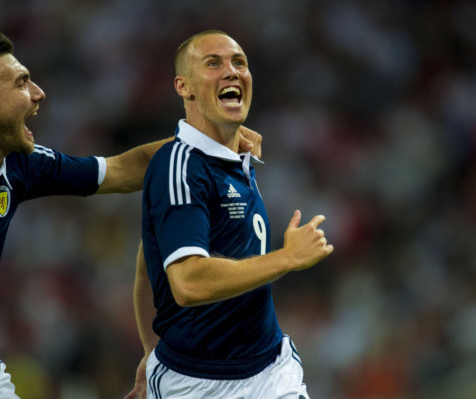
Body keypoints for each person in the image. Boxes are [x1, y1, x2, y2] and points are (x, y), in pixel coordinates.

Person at [0, 33, 261, 399]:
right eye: (22, 83)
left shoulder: (21, 166)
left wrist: (212, 141)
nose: (38, 93)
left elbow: (120, 170)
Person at [127, 30, 334, 399]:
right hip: (195, 383)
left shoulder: (237, 155)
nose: (232, 71)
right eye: (213, 63)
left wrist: (147, 350)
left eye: (239, 62)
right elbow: (187, 281)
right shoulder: (180, 166)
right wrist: (286, 258)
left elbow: (149, 261)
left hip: (271, 370)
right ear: (183, 86)